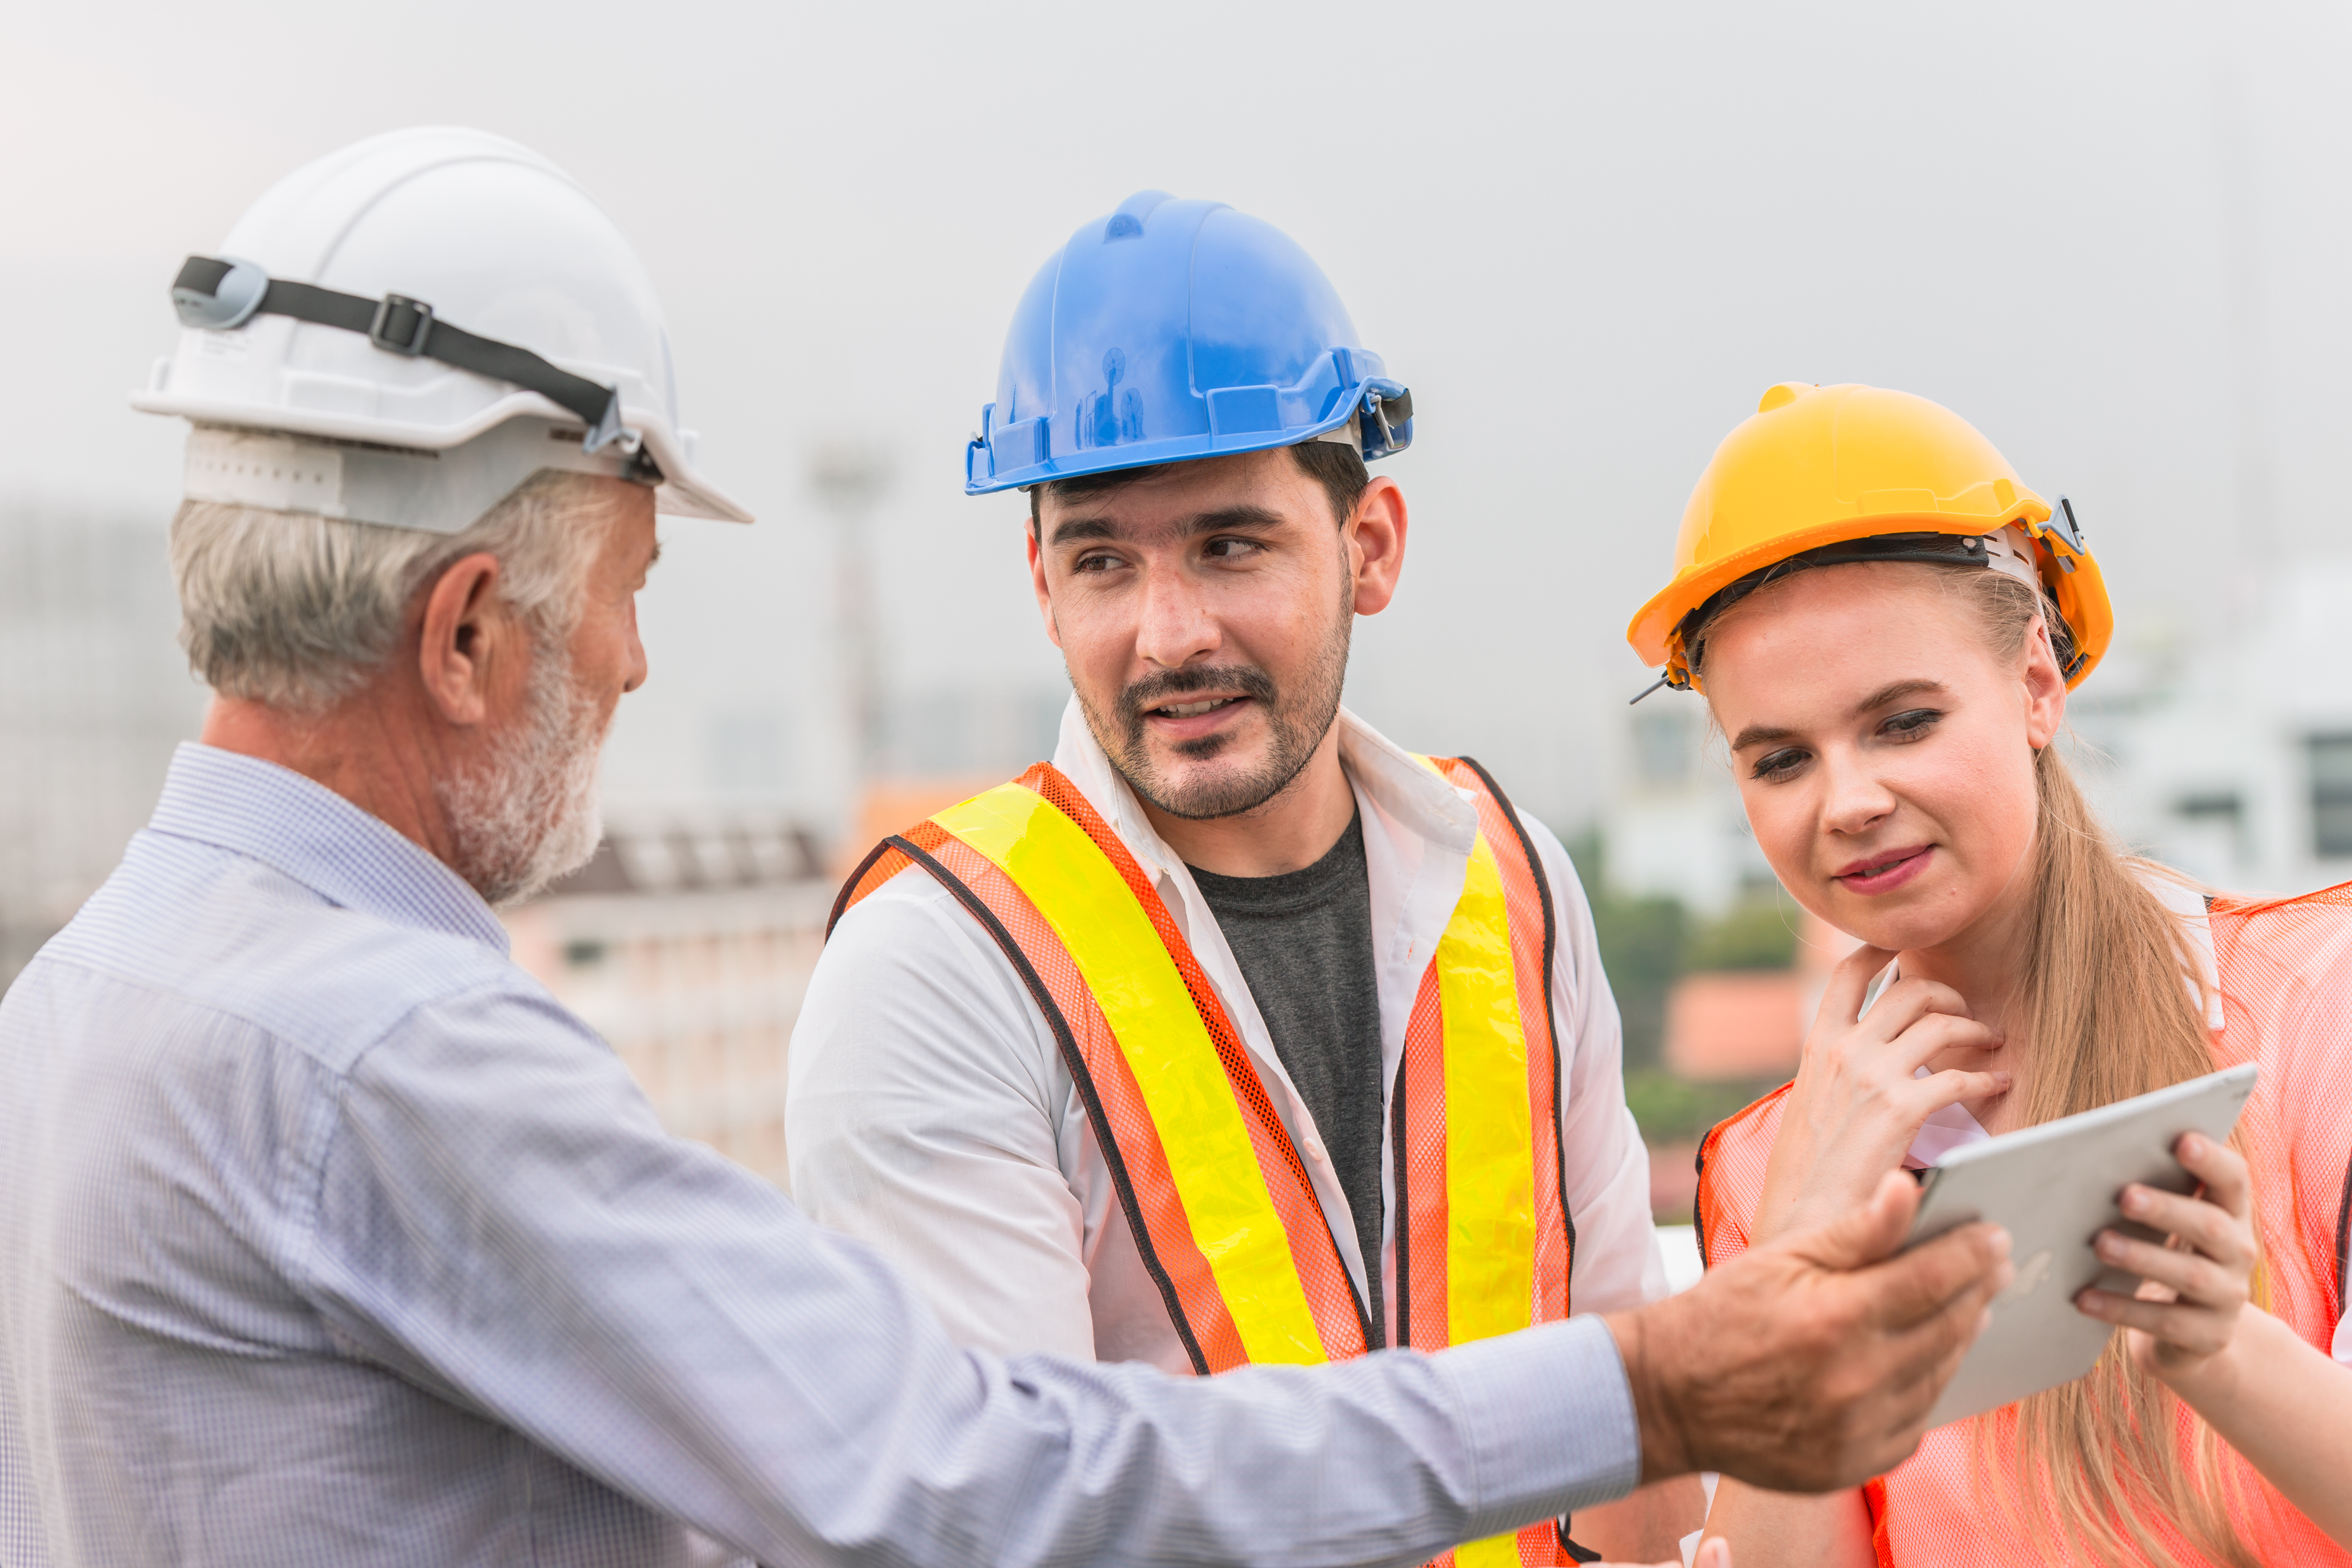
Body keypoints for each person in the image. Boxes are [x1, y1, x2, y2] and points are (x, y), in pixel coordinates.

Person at [0, 135, 2012, 1568]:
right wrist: (1656, 1376)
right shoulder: (413, 1057)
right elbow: (973, 1499)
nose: (626, 660)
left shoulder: (81, 1006)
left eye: (1233, 541)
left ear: (1364, 545)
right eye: (623, 589)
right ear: (462, 631)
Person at [789, 191, 1687, 1563]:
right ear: (1043, 588)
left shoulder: (1513, 879)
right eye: (1104, 561)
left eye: (1230, 543)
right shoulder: (941, 967)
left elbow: (1643, 1410)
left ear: (1369, 546)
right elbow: (1003, 1527)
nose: (1169, 634)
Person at [1621, 382, 2352, 1568]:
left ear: (2036, 685)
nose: (1848, 802)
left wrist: (2224, 1348)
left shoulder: (2323, 1018)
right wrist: (1799, 1266)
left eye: (1904, 722)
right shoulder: (1771, 1169)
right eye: (1782, 760)